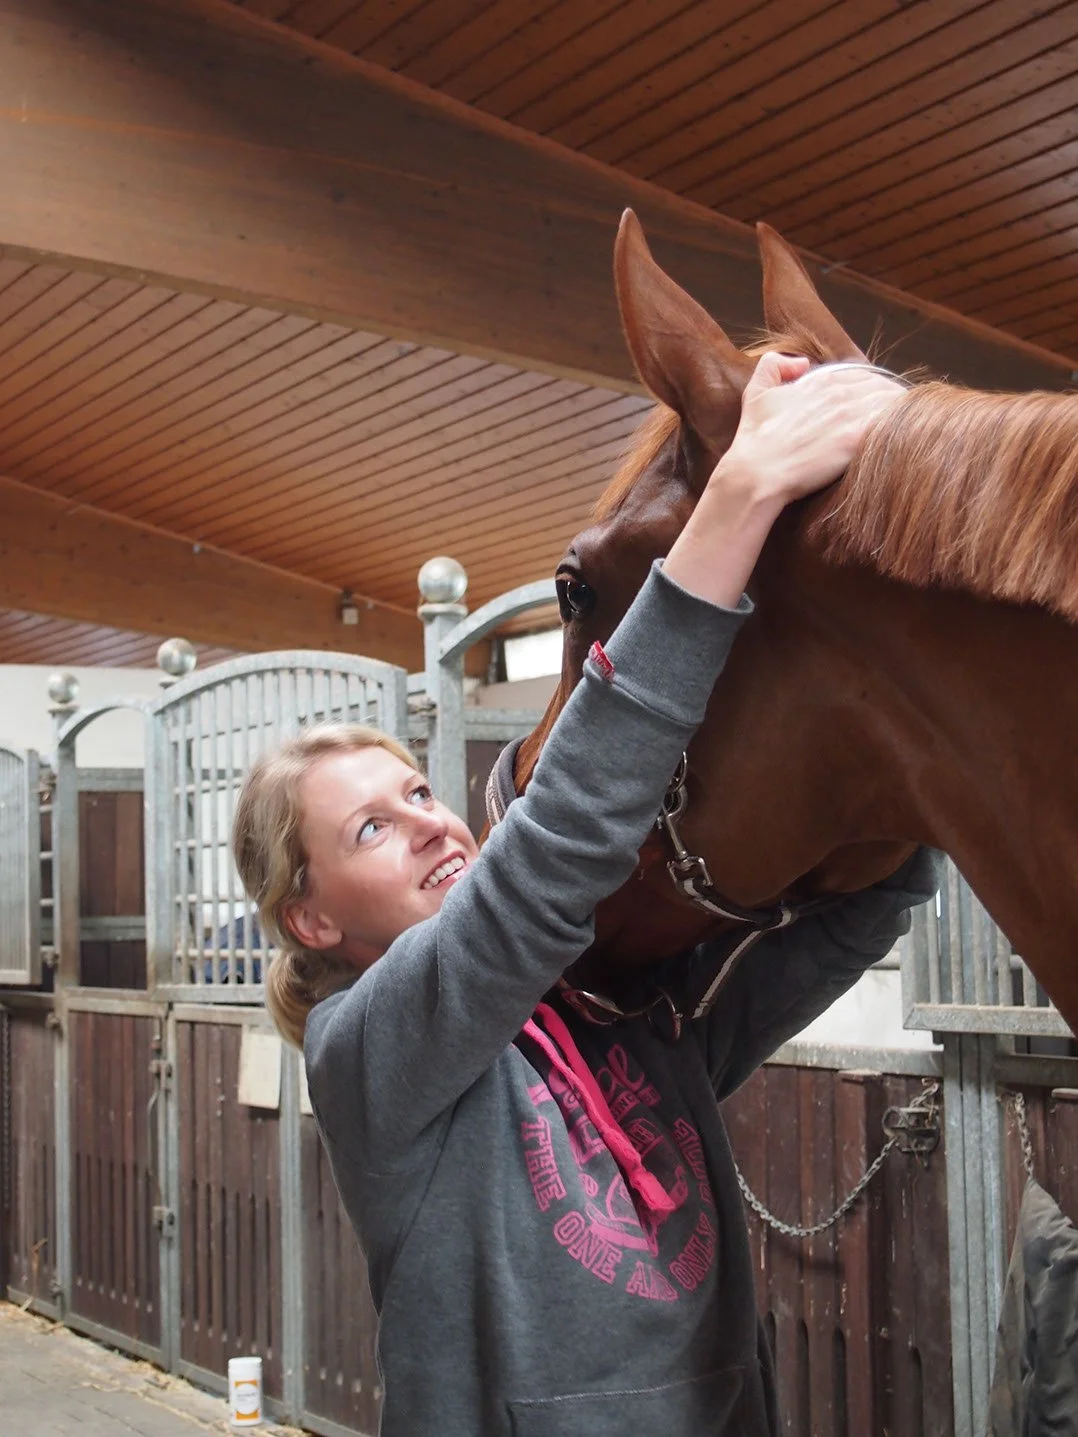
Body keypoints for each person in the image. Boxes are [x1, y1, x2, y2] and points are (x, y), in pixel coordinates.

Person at [232, 352, 939, 1436]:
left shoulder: (623, 1011)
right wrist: (735, 501)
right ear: (313, 918)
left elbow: (848, 924)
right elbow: (549, 860)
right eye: (371, 827)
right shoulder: (365, 1051)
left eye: (419, 789)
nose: (429, 820)